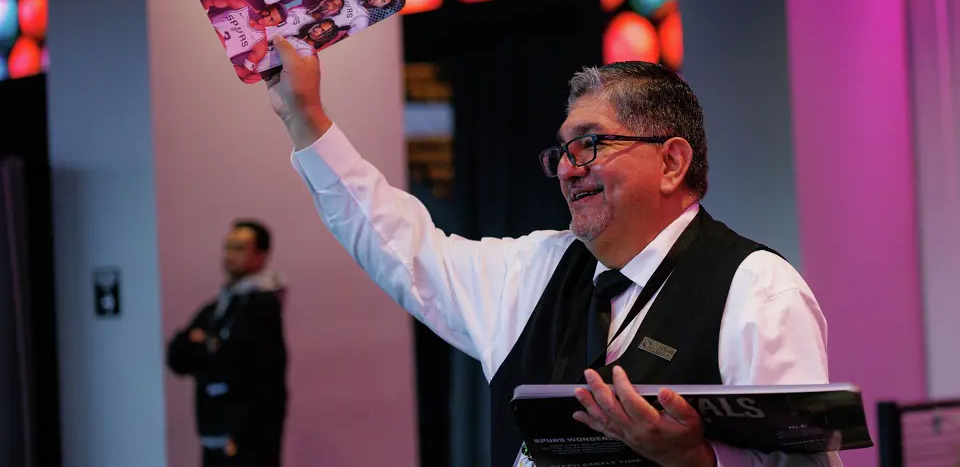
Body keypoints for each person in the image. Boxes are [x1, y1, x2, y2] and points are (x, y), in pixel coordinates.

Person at [265, 52, 839, 467]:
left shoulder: (757, 289)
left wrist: (700, 461)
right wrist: (304, 117)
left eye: (591, 144)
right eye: (562, 151)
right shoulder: (536, 269)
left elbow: (807, 466)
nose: (569, 167)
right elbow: (399, 246)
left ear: (671, 162)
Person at [167, 220, 288, 467]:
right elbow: (176, 355)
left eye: (240, 248)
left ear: (261, 254)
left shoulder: (263, 306)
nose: (230, 255)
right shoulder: (218, 306)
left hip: (249, 440)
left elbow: (233, 363)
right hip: (214, 434)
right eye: (228, 247)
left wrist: (205, 346)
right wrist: (212, 346)